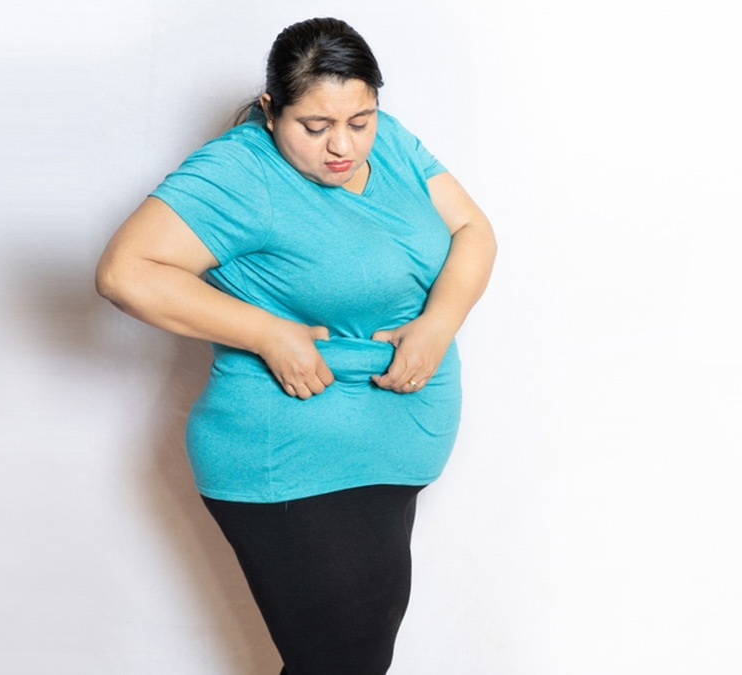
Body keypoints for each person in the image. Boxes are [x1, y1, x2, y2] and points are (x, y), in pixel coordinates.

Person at [96, 17, 496, 675]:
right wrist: (269, 332)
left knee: (343, 662)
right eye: (315, 126)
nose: (342, 144)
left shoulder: (390, 143)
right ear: (271, 109)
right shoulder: (238, 170)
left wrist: (439, 322)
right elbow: (124, 272)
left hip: (387, 455)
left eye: (360, 120)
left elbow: (472, 229)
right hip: (293, 457)